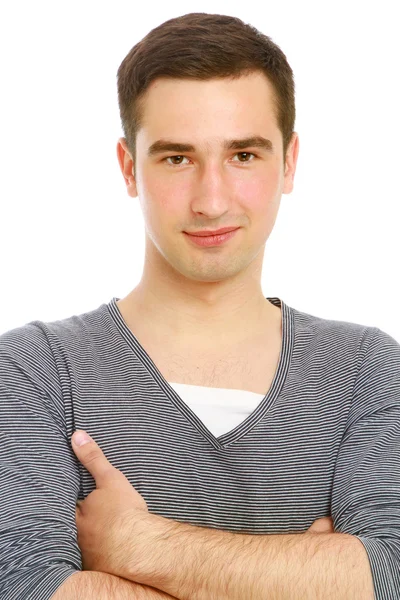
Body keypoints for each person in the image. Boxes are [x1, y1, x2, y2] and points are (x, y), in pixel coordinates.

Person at [0, 11, 399, 600]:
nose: (212, 200)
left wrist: (140, 546)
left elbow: (389, 575)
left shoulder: (369, 370)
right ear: (129, 167)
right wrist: (309, 576)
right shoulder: (33, 371)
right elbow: (24, 583)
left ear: (289, 162)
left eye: (243, 155)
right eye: (177, 158)